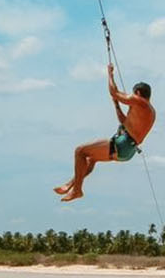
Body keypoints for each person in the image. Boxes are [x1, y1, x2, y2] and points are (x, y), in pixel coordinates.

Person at [54, 64, 155, 202]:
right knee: (91, 159)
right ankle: (72, 184)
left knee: (80, 151)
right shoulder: (148, 111)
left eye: (132, 94)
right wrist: (116, 105)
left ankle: (77, 190)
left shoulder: (140, 102)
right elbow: (124, 122)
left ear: (137, 93)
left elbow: (114, 92)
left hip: (122, 144)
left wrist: (110, 74)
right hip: (128, 150)